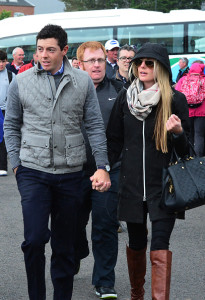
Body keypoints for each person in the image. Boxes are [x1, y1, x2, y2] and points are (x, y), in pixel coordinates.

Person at [4, 24, 111, 300]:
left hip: (72, 173)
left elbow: (95, 125)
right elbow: (12, 125)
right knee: (35, 239)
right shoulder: (22, 81)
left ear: (64, 51)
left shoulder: (82, 81)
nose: (44, 55)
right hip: (32, 171)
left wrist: (101, 165)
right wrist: (16, 164)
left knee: (65, 247)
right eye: (40, 50)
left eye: (51, 50)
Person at [106, 42, 190, 300]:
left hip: (164, 184)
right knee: (137, 243)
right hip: (131, 184)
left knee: (160, 244)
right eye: (139, 62)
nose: (142, 66)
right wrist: (104, 170)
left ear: (161, 68)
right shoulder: (125, 97)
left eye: (149, 63)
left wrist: (177, 134)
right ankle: (137, 294)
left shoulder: (175, 99)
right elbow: (114, 140)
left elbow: (188, 152)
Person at [77, 41, 123, 299]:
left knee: (105, 225)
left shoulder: (119, 91)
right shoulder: (69, 90)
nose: (96, 65)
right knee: (71, 226)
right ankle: (75, 253)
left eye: (100, 60)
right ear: (79, 64)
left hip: (109, 170)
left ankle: (104, 281)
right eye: (91, 60)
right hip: (73, 170)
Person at [175, 62, 205, 157]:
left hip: (187, 112)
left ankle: (190, 158)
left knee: (190, 136)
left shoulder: (183, 79)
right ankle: (199, 159)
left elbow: (177, 93)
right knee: (199, 136)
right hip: (202, 113)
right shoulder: (203, 80)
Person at [0, 50, 14, 176]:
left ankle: (2, 166)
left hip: (5, 110)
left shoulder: (10, 75)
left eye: (3, 61)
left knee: (4, 138)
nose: (1, 64)